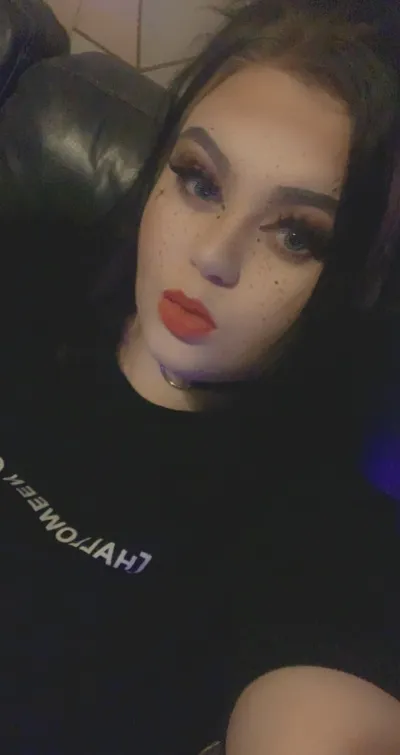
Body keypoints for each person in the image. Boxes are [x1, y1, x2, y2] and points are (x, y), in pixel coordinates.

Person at [1, 0, 400, 753]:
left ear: (355, 279)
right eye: (200, 180)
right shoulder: (29, 266)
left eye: (296, 234)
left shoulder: (313, 529)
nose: (213, 255)